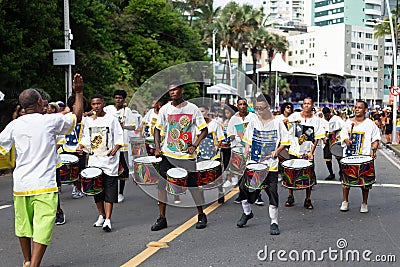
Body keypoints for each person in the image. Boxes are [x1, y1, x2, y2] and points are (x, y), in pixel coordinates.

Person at [0, 74, 83, 267]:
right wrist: (78, 92)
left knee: (23, 226)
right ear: (39, 102)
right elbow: (77, 117)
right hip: (44, 185)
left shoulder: (14, 125)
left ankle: (28, 261)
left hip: (21, 185)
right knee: (42, 226)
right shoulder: (49, 121)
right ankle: (34, 265)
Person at [151, 81, 209, 231]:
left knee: (193, 186)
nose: (172, 93)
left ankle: (201, 214)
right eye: (170, 91)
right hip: (168, 154)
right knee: (161, 186)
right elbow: (157, 129)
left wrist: (194, 145)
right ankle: (162, 217)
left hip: (186, 157)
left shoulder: (193, 109)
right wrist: (157, 147)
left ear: (182, 90)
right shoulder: (165, 109)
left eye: (175, 90)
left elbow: (204, 130)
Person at [237, 94, 290, 235]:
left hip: (270, 166)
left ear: (269, 107)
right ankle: (247, 212)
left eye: (262, 108)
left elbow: (285, 141)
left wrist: (276, 151)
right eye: (257, 108)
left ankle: (274, 222)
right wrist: (246, 150)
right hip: (253, 164)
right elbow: (248, 140)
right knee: (243, 188)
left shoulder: (278, 122)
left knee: (272, 193)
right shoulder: (253, 121)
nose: (259, 111)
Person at [77, 94, 124, 232]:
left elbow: (119, 138)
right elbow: (86, 138)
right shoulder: (88, 121)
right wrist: (81, 147)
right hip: (94, 160)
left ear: (103, 103)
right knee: (96, 190)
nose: (96, 106)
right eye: (93, 104)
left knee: (109, 190)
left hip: (109, 161)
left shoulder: (112, 120)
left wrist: (115, 149)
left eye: (98, 103)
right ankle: (101, 215)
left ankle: (108, 219)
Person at [339, 101, 380, 213]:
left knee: (365, 183)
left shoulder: (370, 124)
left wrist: (374, 149)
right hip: (349, 157)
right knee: (346, 182)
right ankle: (345, 201)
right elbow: (343, 135)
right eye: (356, 107)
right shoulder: (348, 122)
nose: (357, 109)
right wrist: (346, 140)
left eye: (360, 108)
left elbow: (376, 139)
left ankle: (364, 203)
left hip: (364, 157)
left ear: (366, 110)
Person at [285, 97, 325, 209]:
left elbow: (317, 137)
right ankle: (290, 196)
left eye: (308, 104)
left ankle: (307, 199)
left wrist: (311, 152)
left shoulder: (316, 120)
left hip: (307, 152)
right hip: (294, 150)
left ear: (312, 106)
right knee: (291, 174)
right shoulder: (294, 117)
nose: (306, 105)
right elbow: (286, 127)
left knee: (308, 175)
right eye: (304, 103)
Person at [104, 90, 136, 203]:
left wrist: (124, 126)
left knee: (122, 169)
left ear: (124, 99)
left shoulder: (127, 111)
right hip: (109, 144)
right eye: (116, 97)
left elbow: (133, 127)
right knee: (109, 168)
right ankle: (108, 191)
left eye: (120, 98)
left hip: (122, 145)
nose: (118, 100)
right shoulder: (108, 109)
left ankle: (120, 192)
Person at [226, 98, 259, 204]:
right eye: (240, 104)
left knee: (253, 171)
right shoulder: (233, 119)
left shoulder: (253, 117)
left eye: (244, 104)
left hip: (251, 149)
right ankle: (242, 194)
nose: (242, 106)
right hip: (238, 148)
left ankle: (257, 195)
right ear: (237, 106)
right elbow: (229, 133)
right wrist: (237, 136)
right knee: (240, 173)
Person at [198, 104, 225, 203]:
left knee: (217, 175)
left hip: (214, 155)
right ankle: (201, 198)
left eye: (203, 111)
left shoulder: (215, 124)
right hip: (200, 155)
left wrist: (217, 146)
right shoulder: (196, 125)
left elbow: (221, 138)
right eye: (199, 112)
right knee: (200, 176)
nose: (201, 114)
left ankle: (220, 192)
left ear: (207, 111)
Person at [321, 107, 344, 180]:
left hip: (335, 140)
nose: (327, 117)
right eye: (325, 116)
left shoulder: (336, 119)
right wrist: (323, 138)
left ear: (330, 113)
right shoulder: (321, 121)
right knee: (327, 159)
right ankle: (331, 173)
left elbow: (344, 127)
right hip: (326, 142)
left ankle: (341, 173)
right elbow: (319, 131)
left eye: (328, 115)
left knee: (338, 157)